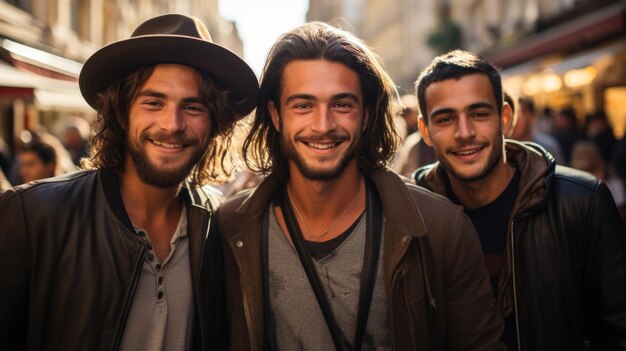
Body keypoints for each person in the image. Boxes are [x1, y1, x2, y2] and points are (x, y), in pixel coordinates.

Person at [216, 22, 504, 350]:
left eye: (342, 105)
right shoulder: (231, 228)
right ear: (276, 115)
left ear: (366, 114)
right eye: (303, 105)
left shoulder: (441, 228)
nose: (323, 125)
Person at [0, 13, 258, 350]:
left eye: (193, 107)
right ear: (122, 113)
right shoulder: (32, 215)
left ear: (214, 123)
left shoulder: (219, 224)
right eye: (153, 102)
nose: (172, 124)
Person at [413, 49, 626, 350]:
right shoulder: (412, 221)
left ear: (505, 119)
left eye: (479, 113)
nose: (465, 132)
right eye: (446, 119)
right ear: (426, 131)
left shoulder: (582, 202)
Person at [511, 97, 565, 164]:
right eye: (512, 112)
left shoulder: (548, 147)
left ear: (532, 116)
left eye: (520, 112)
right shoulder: (505, 150)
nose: (514, 118)